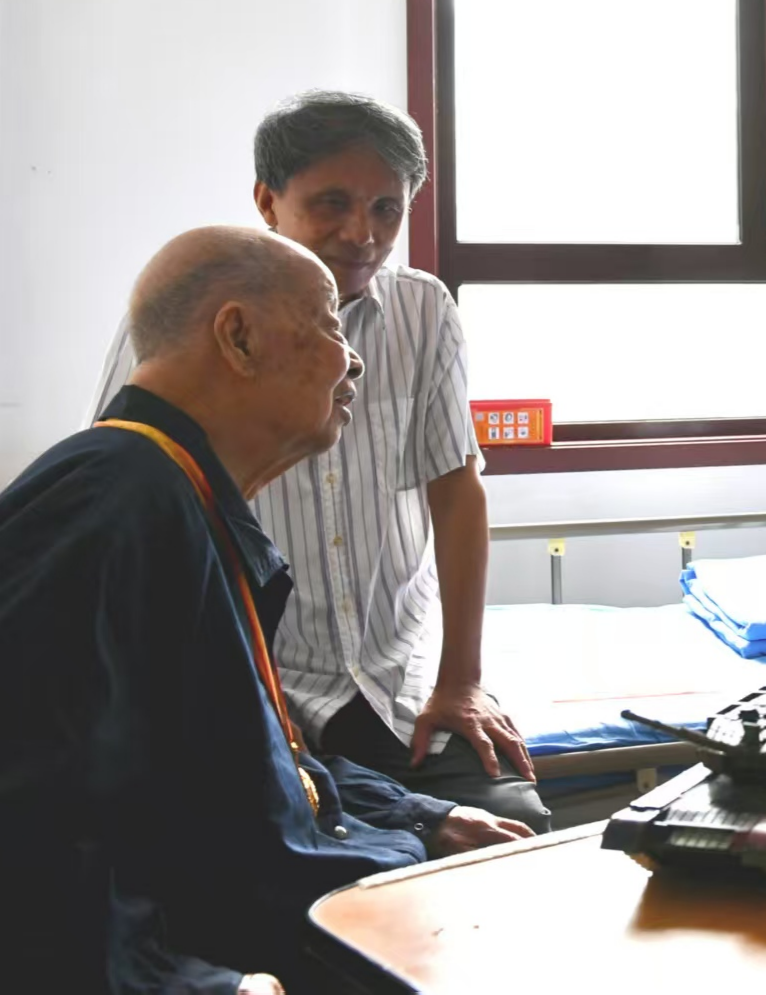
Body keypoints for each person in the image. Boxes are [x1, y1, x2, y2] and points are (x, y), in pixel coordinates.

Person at [1, 227, 533, 994]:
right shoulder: (109, 503)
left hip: (323, 899)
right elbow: (34, 829)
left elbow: (251, 759)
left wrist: (419, 816)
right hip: (267, 949)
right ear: (239, 338)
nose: (352, 359)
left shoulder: (183, 496)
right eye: (327, 327)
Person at [91, 92, 547, 832]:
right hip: (254, 685)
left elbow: (456, 491)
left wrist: (461, 681)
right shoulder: (191, 317)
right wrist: (234, 691)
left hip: (395, 688)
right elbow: (136, 495)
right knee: (286, 865)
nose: (361, 234)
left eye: (386, 209)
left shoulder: (423, 311)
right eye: (331, 202)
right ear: (267, 202)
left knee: (510, 833)